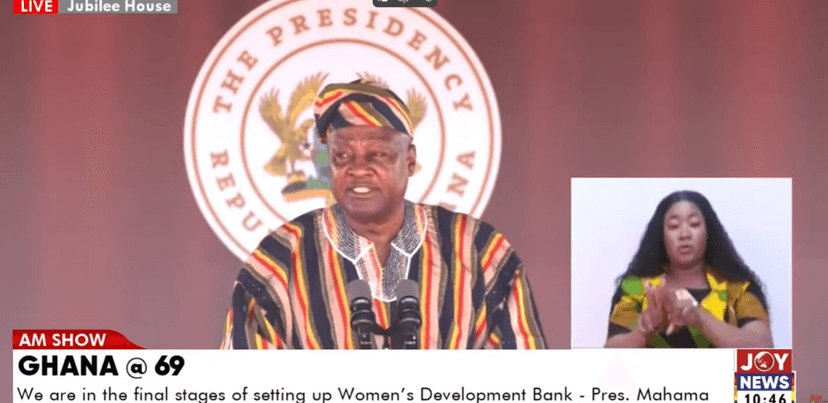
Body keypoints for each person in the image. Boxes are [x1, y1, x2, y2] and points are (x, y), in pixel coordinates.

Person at [220, 79, 546, 349]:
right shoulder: (280, 260)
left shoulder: (478, 251)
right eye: (342, 156)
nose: (358, 169)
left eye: (377, 154)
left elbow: (527, 379)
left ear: (410, 161)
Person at [604, 190, 772, 348]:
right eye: (674, 226)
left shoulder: (737, 287)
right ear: (661, 235)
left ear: (708, 231)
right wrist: (644, 330)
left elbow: (763, 349)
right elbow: (609, 353)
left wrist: (699, 317)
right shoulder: (635, 287)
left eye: (694, 224)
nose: (684, 234)